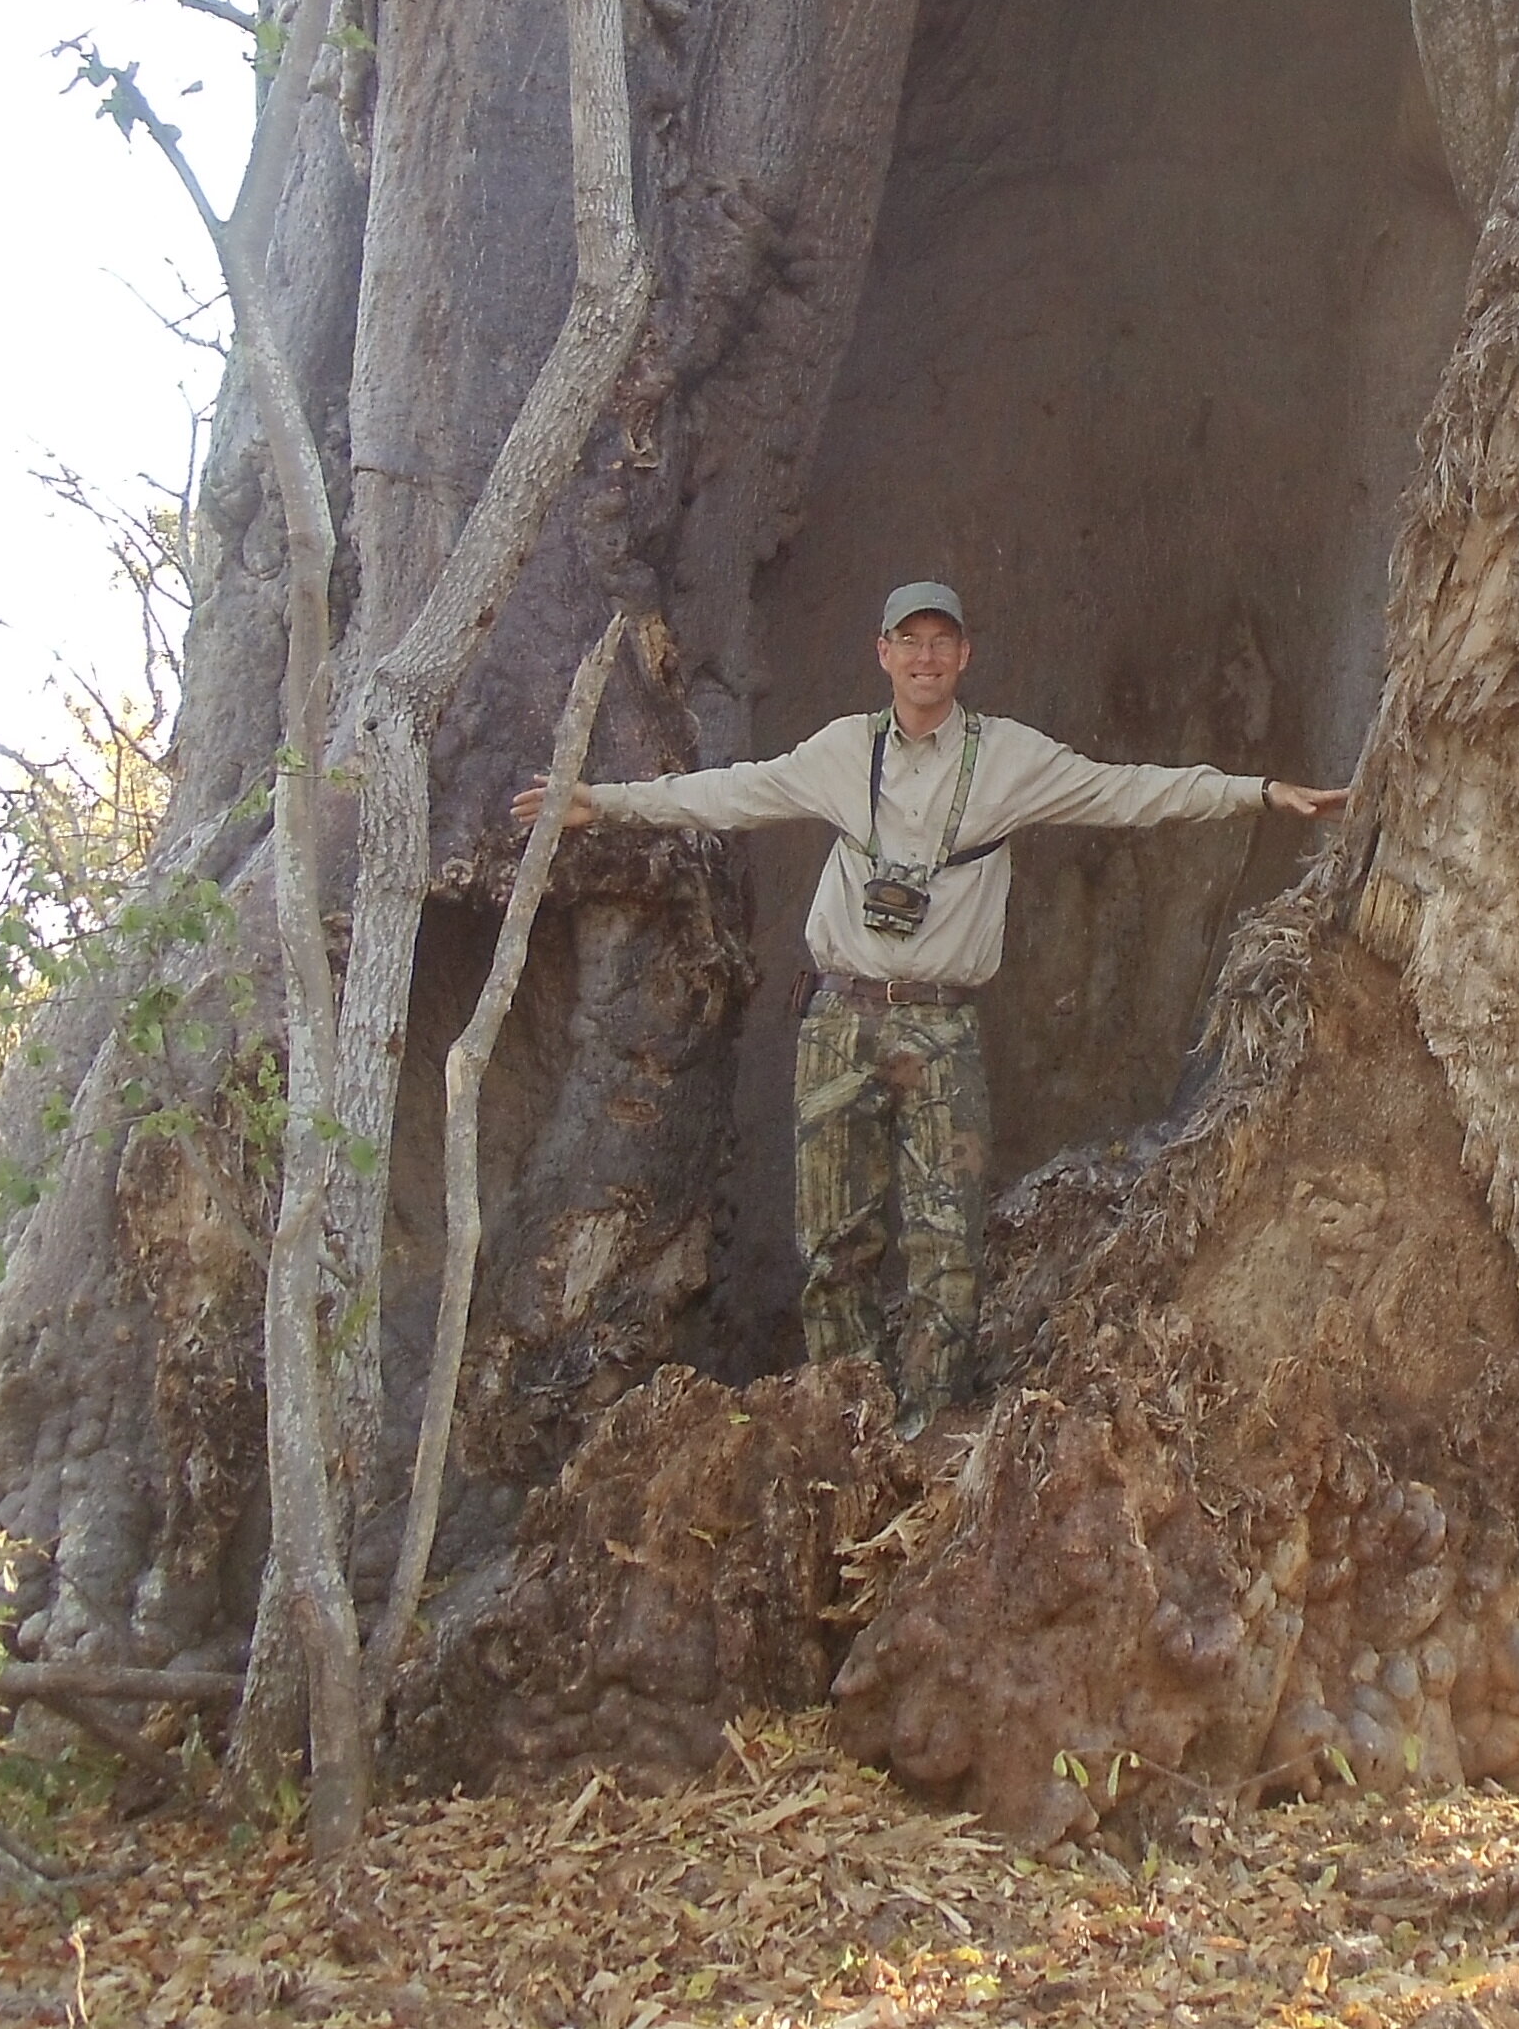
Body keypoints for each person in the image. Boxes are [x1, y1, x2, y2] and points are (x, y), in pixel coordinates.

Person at [516, 580, 1348, 1424]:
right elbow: (732, 793)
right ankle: (844, 1424)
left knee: (947, 1239)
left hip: (941, 1027)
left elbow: (1126, 791)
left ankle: (932, 1420)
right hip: (840, 1022)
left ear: (964, 656)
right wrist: (604, 804)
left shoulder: (1007, 759)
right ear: (882, 653)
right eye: (907, 641)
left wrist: (1256, 790)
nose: (924, 657)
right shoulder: (844, 752)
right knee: (834, 1241)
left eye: (940, 642)